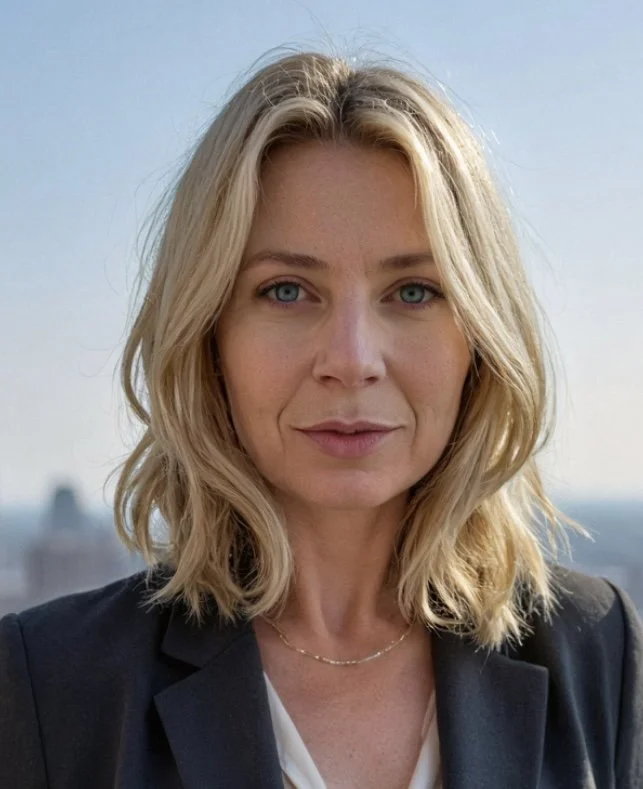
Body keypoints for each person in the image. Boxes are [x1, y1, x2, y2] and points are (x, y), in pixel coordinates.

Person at [0, 50, 641, 789]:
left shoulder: (596, 646)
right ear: (209, 337)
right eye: (284, 291)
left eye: (412, 291)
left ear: (480, 340)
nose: (351, 358)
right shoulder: (50, 685)